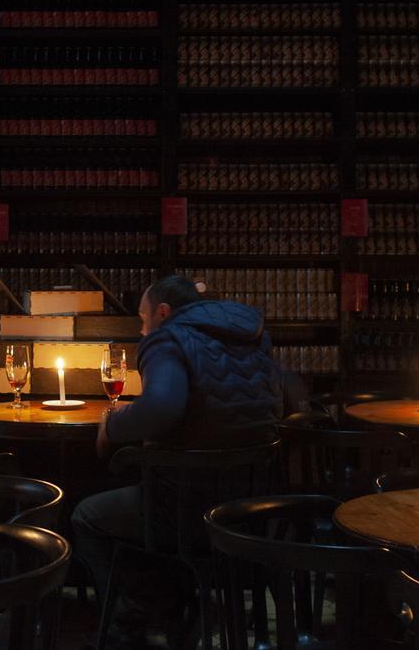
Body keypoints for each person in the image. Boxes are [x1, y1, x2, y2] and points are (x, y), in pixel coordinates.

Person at [72, 274, 281, 648]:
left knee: (87, 515)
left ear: (163, 312)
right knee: (147, 501)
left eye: (142, 318)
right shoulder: (250, 336)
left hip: (189, 507)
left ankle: (130, 622)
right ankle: (177, 607)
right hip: (249, 507)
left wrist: (112, 426)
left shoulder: (167, 338)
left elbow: (163, 407)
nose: (142, 329)